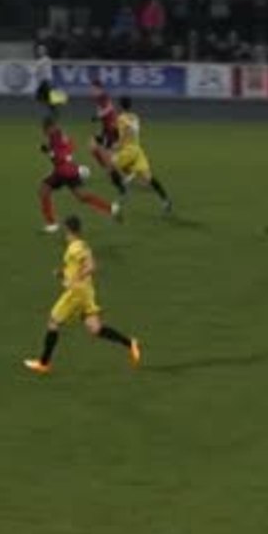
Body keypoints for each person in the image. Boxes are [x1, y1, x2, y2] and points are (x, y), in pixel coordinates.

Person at [23, 215, 141, 374]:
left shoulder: (75, 247)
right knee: (95, 328)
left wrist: (74, 280)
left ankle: (44, 363)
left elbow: (91, 266)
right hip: (86, 291)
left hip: (76, 292)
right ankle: (130, 343)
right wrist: (62, 274)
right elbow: (77, 268)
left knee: (53, 322)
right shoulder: (81, 245)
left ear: (68, 229)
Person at [39, 117, 120, 233]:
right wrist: (53, 152)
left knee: (48, 191)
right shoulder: (55, 136)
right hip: (63, 171)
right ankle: (110, 209)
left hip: (66, 171)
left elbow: (62, 153)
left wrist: (52, 153)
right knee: (48, 191)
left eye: (45, 129)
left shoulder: (57, 136)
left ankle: (52, 224)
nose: (44, 132)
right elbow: (70, 147)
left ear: (51, 128)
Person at [112, 96, 173, 213]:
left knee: (112, 164)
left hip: (128, 150)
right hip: (138, 150)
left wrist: (118, 144)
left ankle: (124, 191)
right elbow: (132, 129)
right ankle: (165, 200)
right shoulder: (135, 117)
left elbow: (127, 130)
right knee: (149, 178)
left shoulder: (120, 118)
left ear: (120, 106)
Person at [87, 79, 126, 194]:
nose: (91, 90)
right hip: (106, 129)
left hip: (111, 129)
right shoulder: (98, 98)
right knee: (92, 147)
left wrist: (98, 116)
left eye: (93, 88)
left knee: (108, 155)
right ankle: (111, 171)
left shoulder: (103, 96)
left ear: (98, 88)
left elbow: (109, 108)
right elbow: (107, 111)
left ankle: (119, 176)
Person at [32, 44, 67, 116]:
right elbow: (36, 70)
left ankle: (58, 104)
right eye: (39, 50)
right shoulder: (40, 60)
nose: (39, 51)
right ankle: (54, 109)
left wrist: (35, 71)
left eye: (41, 50)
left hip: (46, 81)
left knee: (41, 97)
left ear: (45, 51)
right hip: (43, 82)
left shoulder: (46, 59)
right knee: (46, 98)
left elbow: (37, 70)